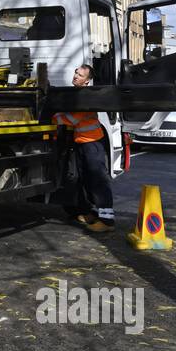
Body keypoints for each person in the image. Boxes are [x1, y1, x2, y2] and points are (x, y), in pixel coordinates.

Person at [54, 64, 115, 233]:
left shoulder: (85, 97)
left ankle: (107, 221)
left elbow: (70, 119)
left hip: (92, 144)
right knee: (82, 179)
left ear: (87, 81)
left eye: (80, 75)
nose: (76, 76)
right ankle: (87, 212)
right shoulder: (77, 94)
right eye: (76, 73)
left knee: (98, 180)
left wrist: (54, 116)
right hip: (82, 143)